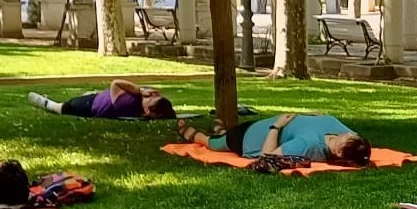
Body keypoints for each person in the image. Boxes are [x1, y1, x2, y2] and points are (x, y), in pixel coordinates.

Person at [175, 111, 372, 165]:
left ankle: (191, 134)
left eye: (349, 138)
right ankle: (220, 130)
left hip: (247, 138)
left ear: (339, 152)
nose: (349, 133)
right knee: (225, 134)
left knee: (213, 143)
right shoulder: (341, 131)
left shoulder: (308, 145)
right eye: (352, 134)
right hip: (257, 126)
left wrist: (276, 126)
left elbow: (267, 156)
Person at [28, 80, 174, 121]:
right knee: (74, 101)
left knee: (64, 107)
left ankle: (47, 104)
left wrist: (140, 90)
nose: (151, 95)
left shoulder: (127, 105)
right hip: (98, 98)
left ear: (147, 110)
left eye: (153, 98)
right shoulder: (141, 102)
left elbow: (116, 84)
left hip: (91, 106)